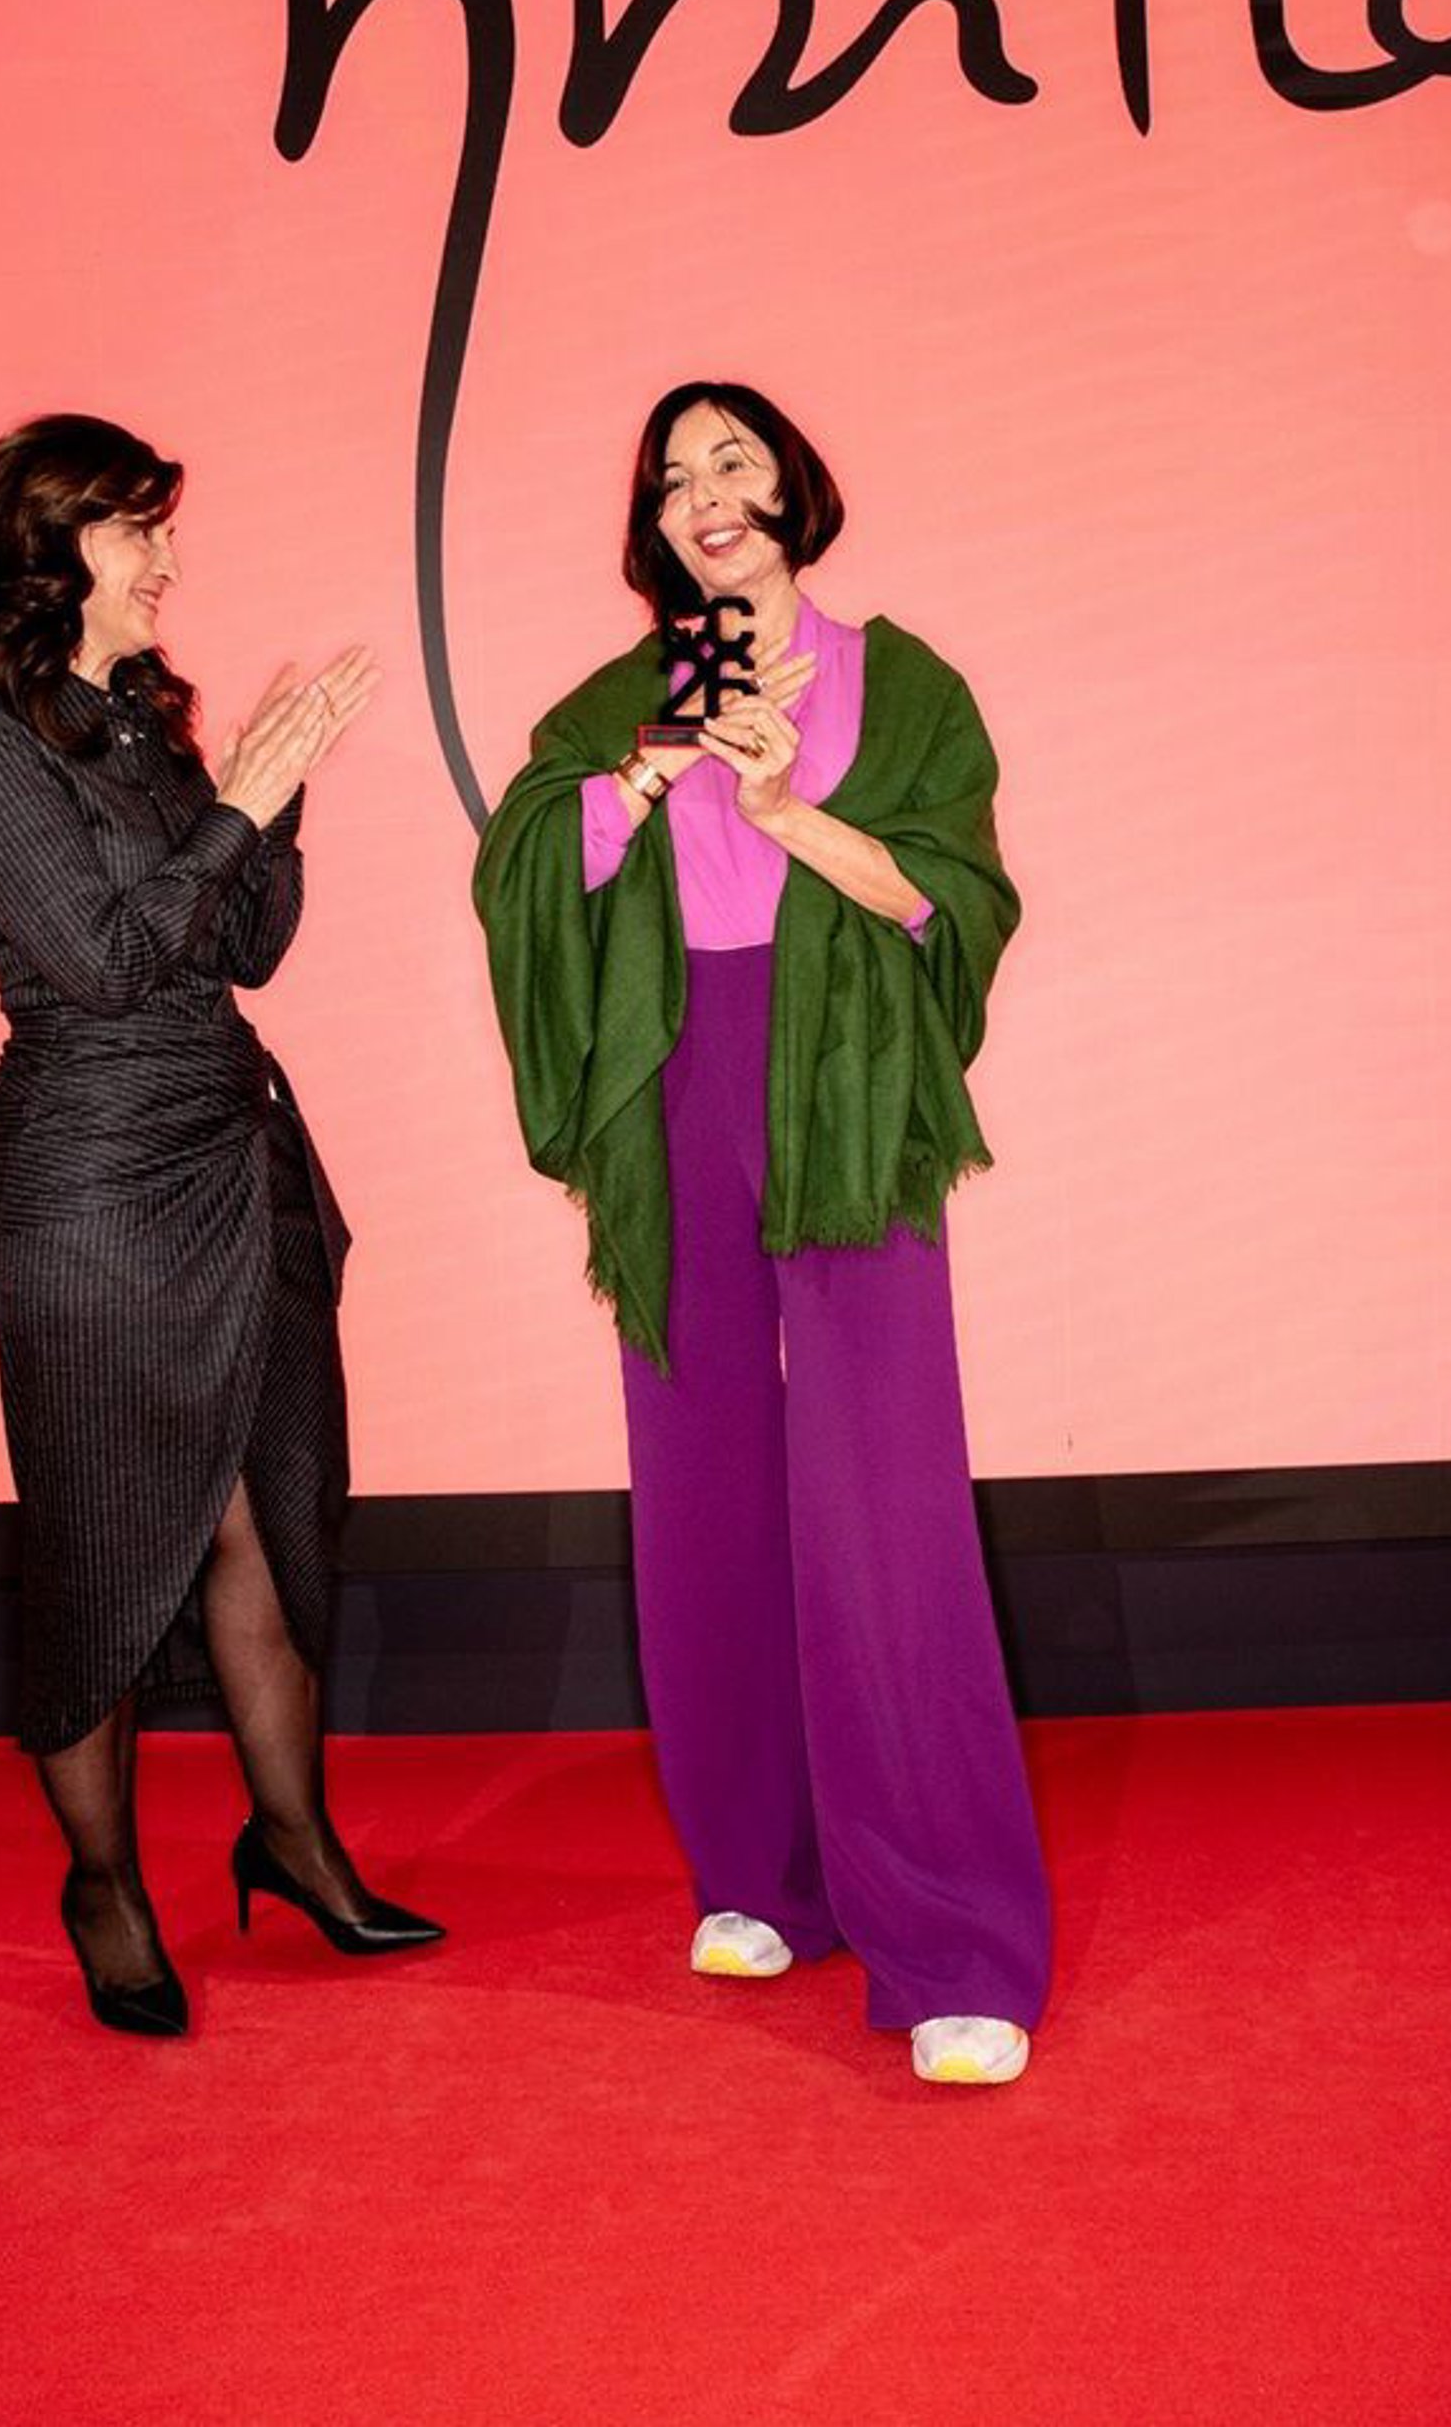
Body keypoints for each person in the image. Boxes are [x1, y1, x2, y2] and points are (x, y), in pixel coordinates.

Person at [473, 381, 1050, 2083]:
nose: (703, 492)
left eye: (731, 458)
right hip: (677, 1081)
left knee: (882, 1494)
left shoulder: (905, 681)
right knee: (703, 1478)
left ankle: (955, 1940)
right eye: (672, 477)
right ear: (655, 529)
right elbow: (528, 872)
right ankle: (759, 1869)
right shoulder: (623, 698)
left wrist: (790, 806)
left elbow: (952, 897)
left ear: (793, 485)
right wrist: (649, 773)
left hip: (844, 1075)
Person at [0, 413, 442, 2040]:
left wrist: (274, 796)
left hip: (228, 1148)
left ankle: (294, 1840)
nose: (169, 559)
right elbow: (102, 962)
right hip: (86, 1185)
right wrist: (242, 801)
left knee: (266, 1515)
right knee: (101, 1545)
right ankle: (104, 1888)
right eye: (139, 529)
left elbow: (246, 943)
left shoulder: (143, 717)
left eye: (163, 526)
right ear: (50, 542)